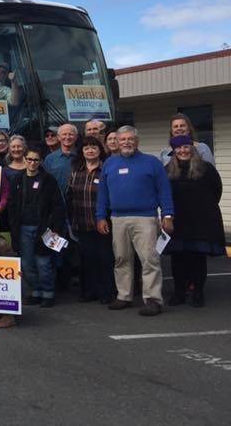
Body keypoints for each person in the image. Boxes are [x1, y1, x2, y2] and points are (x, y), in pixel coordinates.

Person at [96, 126, 173, 316]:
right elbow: (102, 193)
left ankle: (153, 299)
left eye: (130, 139)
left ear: (137, 142)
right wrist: (100, 216)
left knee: (149, 259)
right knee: (121, 259)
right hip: (117, 218)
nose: (126, 143)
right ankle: (124, 296)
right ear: (117, 142)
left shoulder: (152, 163)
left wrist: (168, 215)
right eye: (123, 140)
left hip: (145, 218)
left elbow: (164, 190)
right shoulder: (109, 164)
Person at [163, 135, 224, 307]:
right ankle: (179, 293)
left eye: (185, 147)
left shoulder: (206, 168)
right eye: (178, 148)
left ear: (192, 149)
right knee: (178, 259)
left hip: (201, 220)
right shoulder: (168, 170)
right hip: (178, 220)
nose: (182, 151)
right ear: (174, 151)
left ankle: (198, 293)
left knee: (197, 259)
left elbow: (217, 190)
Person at [6, 145, 65, 307]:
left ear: (40, 162)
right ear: (24, 159)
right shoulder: (17, 179)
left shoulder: (48, 180)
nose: (32, 162)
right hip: (23, 228)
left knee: (44, 262)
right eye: (29, 159)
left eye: (36, 160)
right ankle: (35, 292)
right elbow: (12, 206)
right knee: (27, 263)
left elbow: (58, 206)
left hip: (44, 228)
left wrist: (56, 229)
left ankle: (48, 293)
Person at [66, 136, 114, 304]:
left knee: (105, 258)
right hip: (81, 221)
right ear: (82, 151)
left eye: (94, 147)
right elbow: (70, 196)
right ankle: (89, 291)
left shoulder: (106, 169)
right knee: (87, 259)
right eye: (86, 148)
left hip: (102, 223)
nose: (90, 150)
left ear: (100, 150)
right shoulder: (76, 170)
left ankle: (106, 292)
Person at [44, 123, 78, 194]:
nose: (67, 137)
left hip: (78, 200)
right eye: (64, 134)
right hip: (56, 200)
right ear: (59, 137)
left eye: (71, 134)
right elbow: (45, 181)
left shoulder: (82, 156)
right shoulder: (50, 158)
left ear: (76, 137)